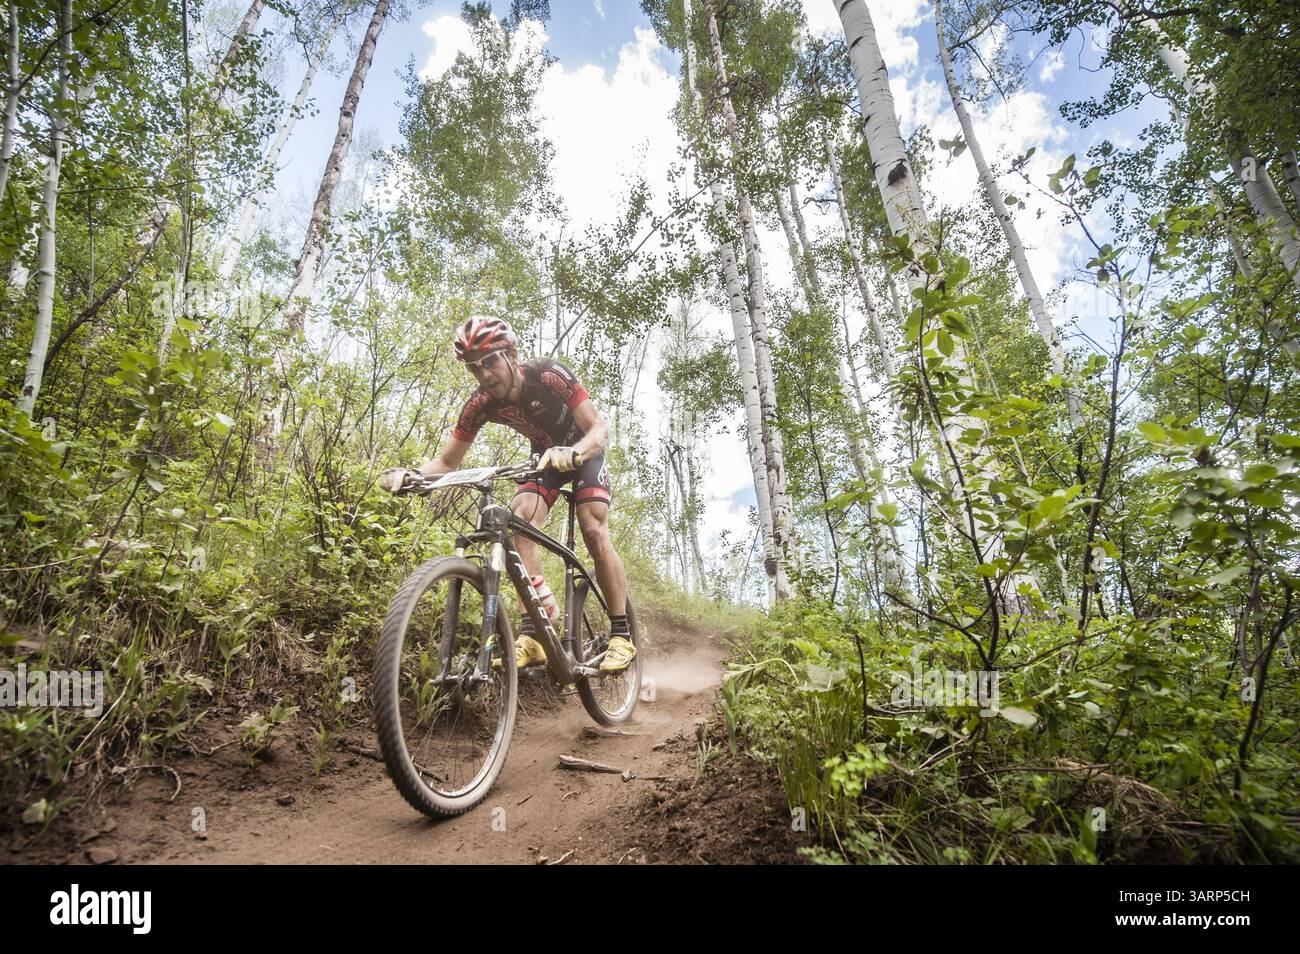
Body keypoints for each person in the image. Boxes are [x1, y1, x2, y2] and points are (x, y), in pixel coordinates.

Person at [378, 315, 636, 673]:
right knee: (520, 518)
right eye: (474, 368)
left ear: (511, 354)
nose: (484, 375)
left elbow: (599, 427)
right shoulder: (480, 404)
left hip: (583, 451)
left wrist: (576, 452)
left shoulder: (548, 375)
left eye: (490, 362)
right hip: (545, 457)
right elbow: (446, 462)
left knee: (592, 526)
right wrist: (411, 475)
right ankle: (534, 635)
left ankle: (622, 634)